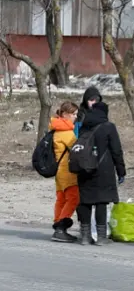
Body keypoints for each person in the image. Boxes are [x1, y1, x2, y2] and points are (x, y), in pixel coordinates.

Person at [76, 94, 126, 246]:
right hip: (103, 168)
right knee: (101, 201)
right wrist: (121, 171)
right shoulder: (108, 127)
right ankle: (101, 237)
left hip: (84, 167)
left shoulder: (84, 124)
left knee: (85, 201)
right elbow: (116, 150)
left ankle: (85, 237)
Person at [50, 101, 81, 243]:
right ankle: (61, 227)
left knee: (61, 199)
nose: (75, 117)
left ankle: (58, 224)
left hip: (59, 172)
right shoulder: (66, 132)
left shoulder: (56, 129)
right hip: (67, 171)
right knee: (73, 198)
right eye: (73, 114)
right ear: (65, 114)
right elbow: (77, 149)